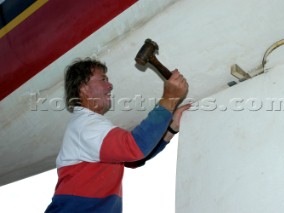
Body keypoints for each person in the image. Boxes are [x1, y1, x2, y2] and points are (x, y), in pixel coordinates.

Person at [45, 58, 190, 212]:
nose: (110, 85)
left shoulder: (91, 126)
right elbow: (134, 147)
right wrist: (170, 99)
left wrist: (171, 129)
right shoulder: (85, 126)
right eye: (103, 79)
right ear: (84, 88)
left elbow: (137, 158)